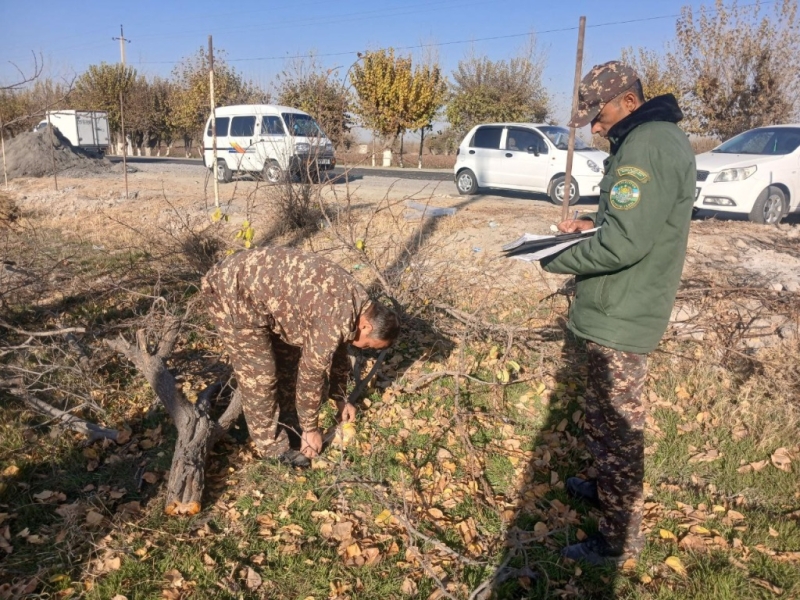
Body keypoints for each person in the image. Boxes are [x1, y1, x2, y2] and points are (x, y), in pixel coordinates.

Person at [540, 61, 696, 565]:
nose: (594, 126)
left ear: (629, 101)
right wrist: (592, 223)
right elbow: (629, 221)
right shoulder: (644, 139)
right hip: (616, 304)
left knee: (619, 430)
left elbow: (626, 244)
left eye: (598, 114)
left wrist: (555, 257)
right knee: (603, 417)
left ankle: (618, 539)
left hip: (625, 310)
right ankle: (607, 488)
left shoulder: (648, 145)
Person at [201, 246, 399, 467]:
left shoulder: (359, 305)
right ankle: (273, 449)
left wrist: (339, 397)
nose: (364, 348)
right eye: (368, 345)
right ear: (366, 326)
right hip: (230, 291)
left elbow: (338, 348)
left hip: (265, 296)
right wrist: (311, 429)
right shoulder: (335, 315)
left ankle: (290, 426)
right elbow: (311, 373)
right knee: (261, 376)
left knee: (289, 361)